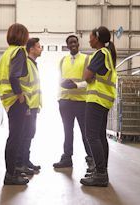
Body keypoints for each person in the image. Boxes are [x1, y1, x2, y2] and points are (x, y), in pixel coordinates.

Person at [80, 26, 117, 187]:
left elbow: (87, 76)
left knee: (92, 136)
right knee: (100, 136)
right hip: (104, 100)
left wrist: (87, 73)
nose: (89, 40)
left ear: (97, 37)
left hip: (96, 99)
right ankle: (101, 170)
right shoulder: (107, 54)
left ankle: (100, 173)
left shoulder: (100, 54)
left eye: (90, 37)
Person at [0, 23, 32, 185]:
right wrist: (20, 95)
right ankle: (10, 174)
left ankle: (13, 170)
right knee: (15, 137)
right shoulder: (19, 52)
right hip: (16, 100)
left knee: (14, 136)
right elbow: (13, 77)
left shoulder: (6, 53)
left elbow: (0, 80)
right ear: (23, 36)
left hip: (7, 99)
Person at [53, 35, 94, 171]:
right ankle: (66, 158)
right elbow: (60, 79)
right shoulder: (63, 60)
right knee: (67, 131)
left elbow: (90, 81)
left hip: (81, 101)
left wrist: (76, 85)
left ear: (78, 43)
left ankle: (91, 159)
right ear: (67, 45)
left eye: (75, 42)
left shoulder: (86, 59)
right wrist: (62, 85)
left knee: (85, 132)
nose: (73, 44)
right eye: (70, 42)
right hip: (65, 101)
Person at [21, 38, 42, 172]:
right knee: (25, 135)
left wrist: (37, 105)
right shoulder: (27, 63)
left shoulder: (33, 64)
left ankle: (25, 161)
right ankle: (21, 163)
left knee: (30, 134)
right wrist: (27, 106)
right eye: (39, 47)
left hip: (33, 106)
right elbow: (23, 85)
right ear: (31, 49)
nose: (41, 49)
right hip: (27, 106)